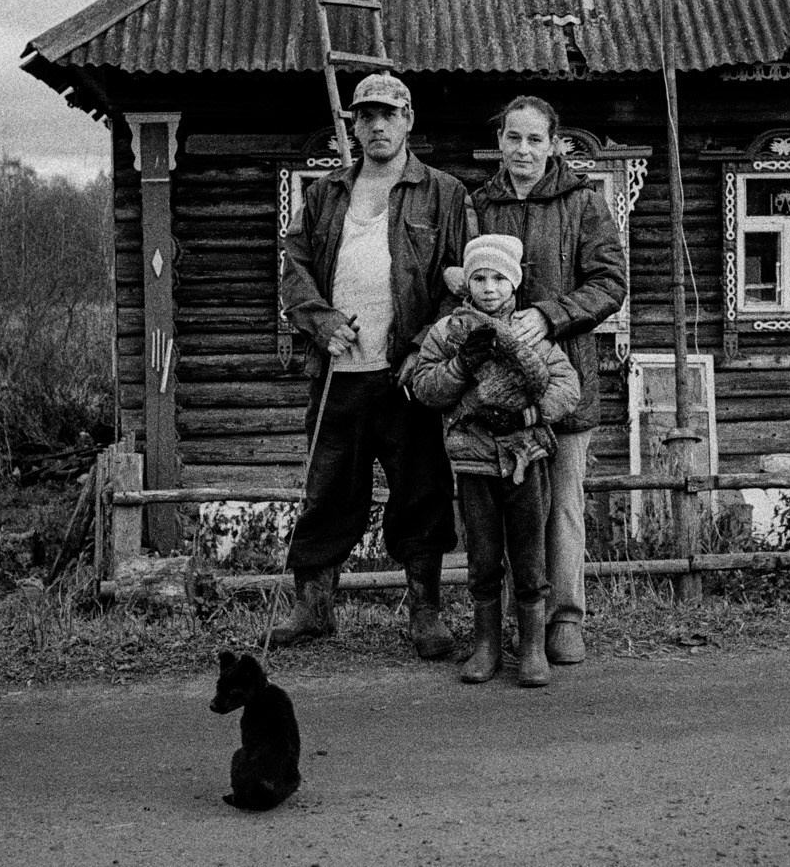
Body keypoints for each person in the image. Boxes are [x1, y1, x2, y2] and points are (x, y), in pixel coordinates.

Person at [267, 72, 475, 658]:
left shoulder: (444, 193)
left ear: (409, 119)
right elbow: (295, 265)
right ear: (353, 125)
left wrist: (425, 347)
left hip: (406, 375)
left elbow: (462, 281)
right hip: (337, 374)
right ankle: (314, 608)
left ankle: (426, 613)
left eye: (389, 114)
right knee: (326, 489)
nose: (377, 126)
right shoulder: (327, 193)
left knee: (421, 492)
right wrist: (320, 320)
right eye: (366, 116)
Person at [471, 96, 626, 665]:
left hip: (566, 385)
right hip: (495, 390)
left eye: (535, 140)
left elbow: (610, 283)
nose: (523, 151)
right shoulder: (479, 204)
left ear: (555, 143)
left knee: (561, 506)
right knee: (501, 506)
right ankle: (507, 626)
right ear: (501, 141)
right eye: (513, 138)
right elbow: (464, 279)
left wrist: (549, 315)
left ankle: (565, 618)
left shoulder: (583, 203)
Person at [402, 234, 580, 687]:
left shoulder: (527, 331)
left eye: (500, 278)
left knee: (529, 553)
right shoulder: (449, 332)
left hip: (525, 456)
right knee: (482, 556)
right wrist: (461, 366)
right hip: (473, 461)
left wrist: (531, 413)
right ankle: (485, 645)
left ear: (515, 285)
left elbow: (566, 386)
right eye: (479, 277)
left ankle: (533, 647)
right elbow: (424, 387)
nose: (490, 288)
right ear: (467, 284)